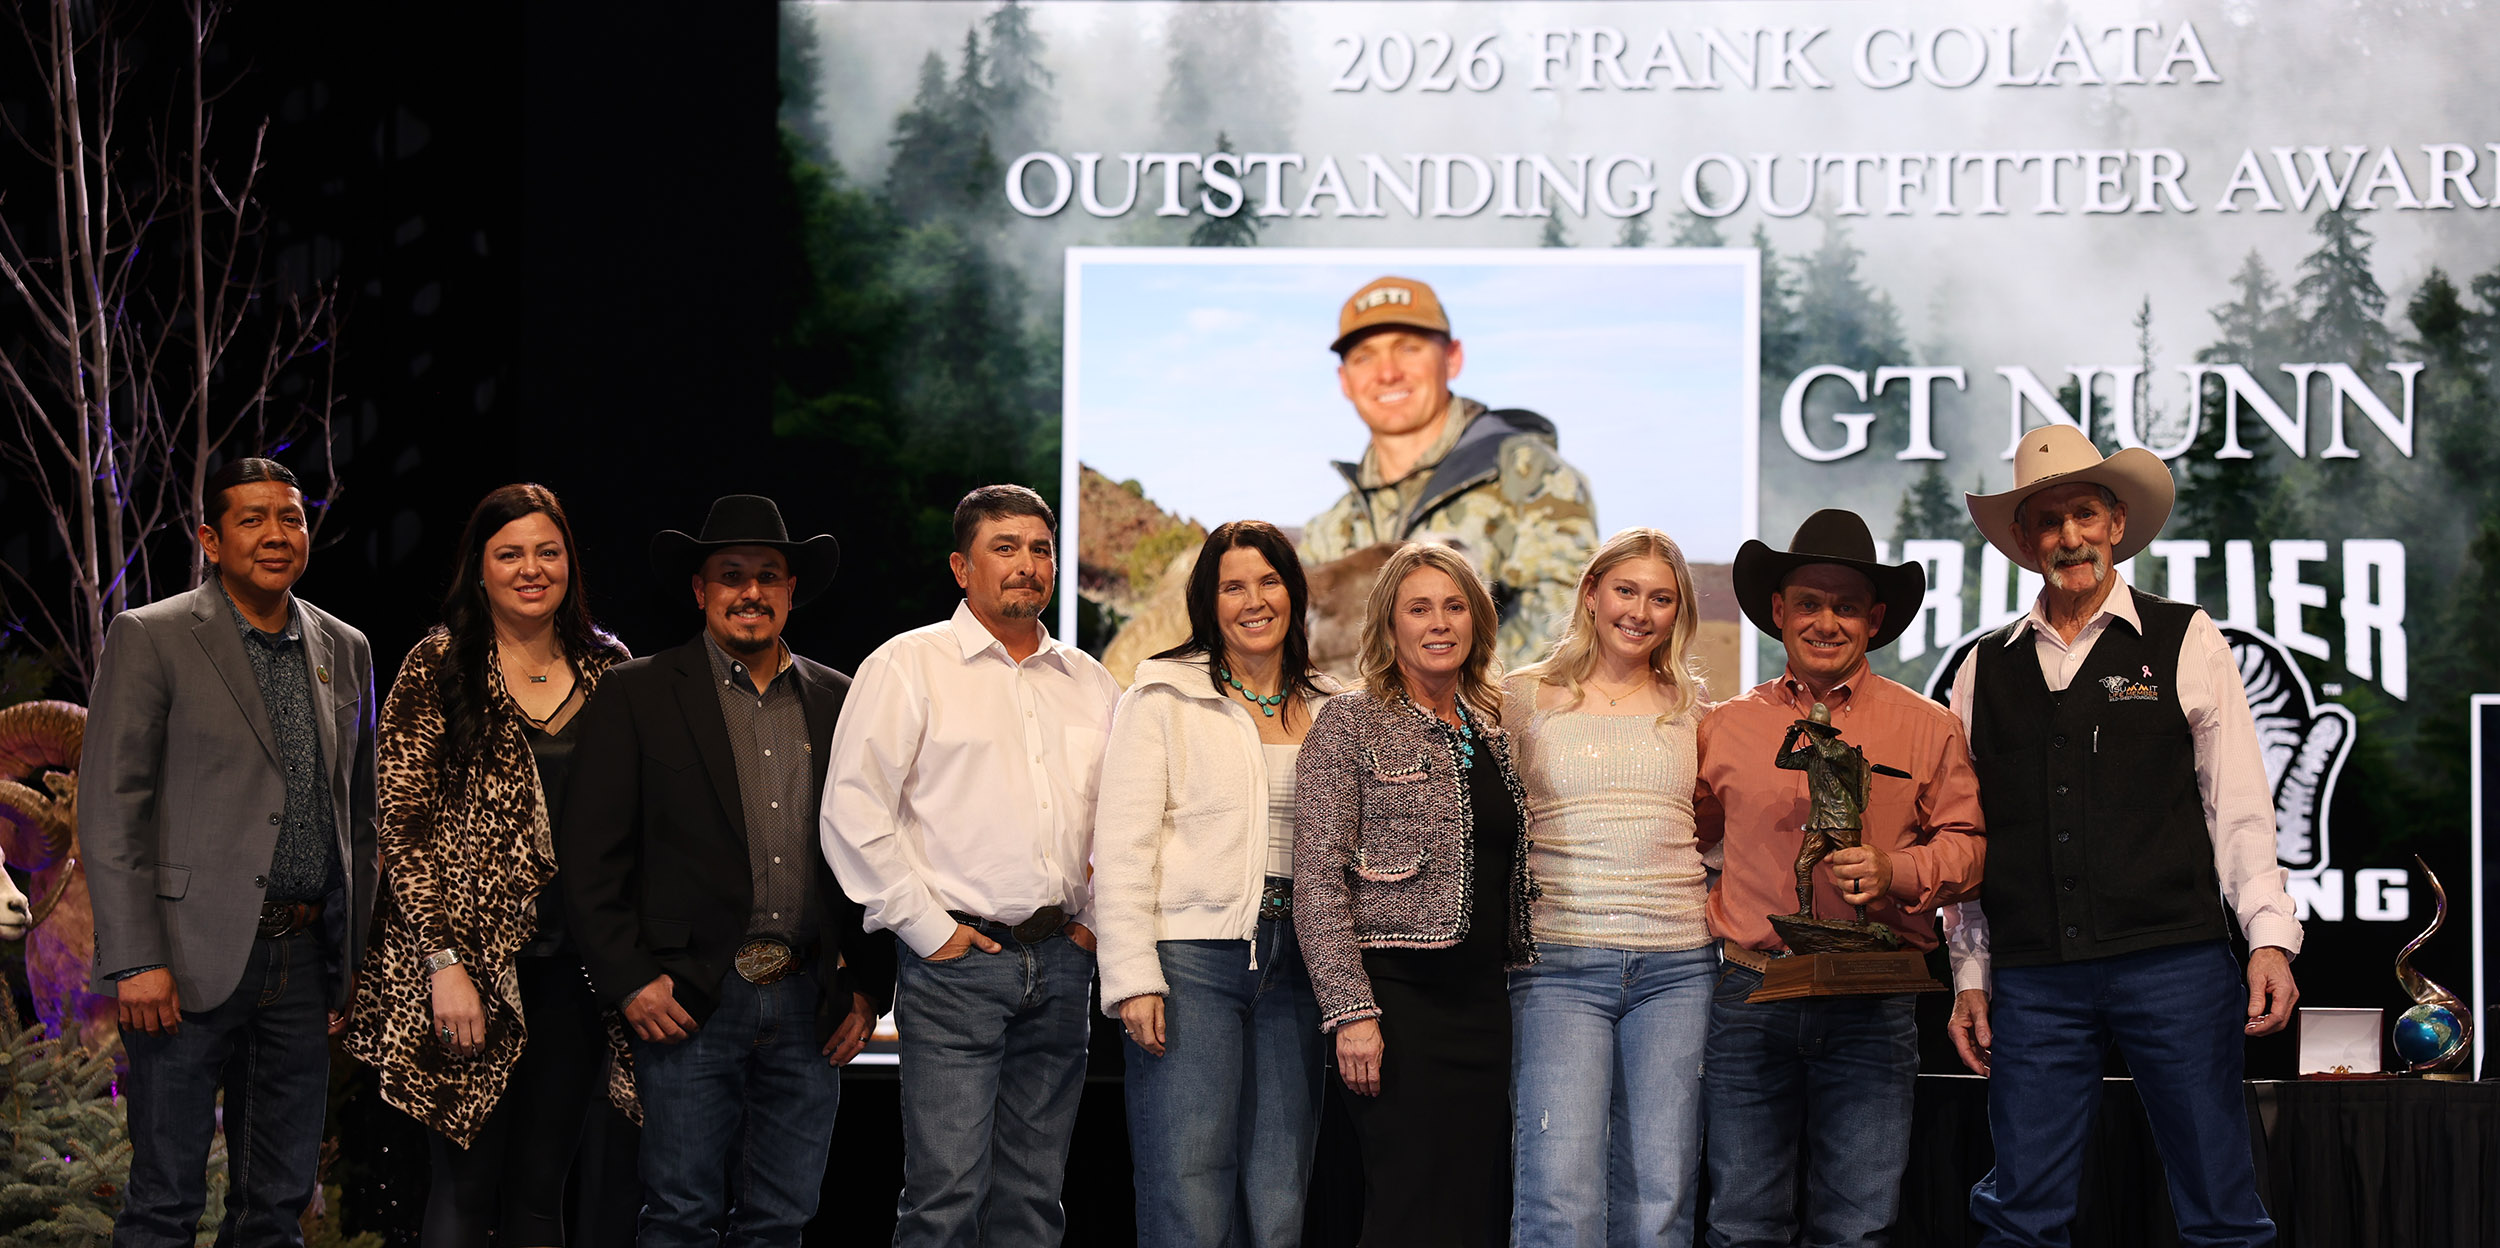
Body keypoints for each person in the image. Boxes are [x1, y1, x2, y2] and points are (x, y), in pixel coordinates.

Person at [1945, 424, 2300, 1247]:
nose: (2069, 536)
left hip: (2175, 964)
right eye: (2048, 521)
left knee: (2222, 1206)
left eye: (2084, 514)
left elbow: (2239, 809)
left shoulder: (2187, 637)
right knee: (2022, 1214)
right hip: (2034, 980)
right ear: (2026, 542)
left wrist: (2268, 940)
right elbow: (1968, 836)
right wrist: (1970, 972)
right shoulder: (1979, 668)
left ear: (2115, 524)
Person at [559, 493, 894, 1247]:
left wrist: (869, 987)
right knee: (680, 1217)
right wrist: (630, 980)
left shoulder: (841, 700)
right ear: (699, 590)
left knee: (782, 1220)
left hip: (811, 1002)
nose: (750, 592)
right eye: (731, 575)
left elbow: (878, 850)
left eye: (767, 575)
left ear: (790, 589)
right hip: (690, 1001)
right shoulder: (637, 692)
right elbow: (589, 856)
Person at [82, 456, 379, 1245]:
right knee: (165, 1205)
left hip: (305, 960)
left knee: (276, 1209)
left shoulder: (346, 648)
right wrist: (134, 958)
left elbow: (360, 816)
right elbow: (112, 809)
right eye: (253, 520)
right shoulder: (151, 635)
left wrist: (348, 955)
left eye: (291, 517)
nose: (276, 535)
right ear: (212, 540)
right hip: (183, 961)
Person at [822, 484, 1122, 1247]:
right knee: (945, 1197)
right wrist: (931, 932)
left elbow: (1120, 823)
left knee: (1033, 1201)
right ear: (962, 566)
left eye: (1041, 549)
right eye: (1006, 548)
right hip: (958, 965)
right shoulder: (908, 665)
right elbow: (852, 815)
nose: (1028, 565)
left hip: (1061, 965)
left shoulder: (1091, 682)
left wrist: (1090, 925)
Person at [342, 484, 631, 1247]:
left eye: (548, 551)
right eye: (510, 554)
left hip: (575, 974)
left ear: (570, 562)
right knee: (466, 1192)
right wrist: (444, 965)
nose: (531, 569)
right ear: (480, 569)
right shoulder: (437, 664)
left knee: (542, 1193)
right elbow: (401, 832)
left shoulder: (611, 669)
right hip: (464, 975)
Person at [1694, 508, 1985, 1248]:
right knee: (1740, 1223)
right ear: (1778, 612)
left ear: (1875, 619)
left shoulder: (1929, 726)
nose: (1827, 622)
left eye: (1847, 607)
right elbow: (1684, 842)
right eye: (1810, 604)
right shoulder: (1725, 725)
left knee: (1858, 1227)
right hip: (1750, 990)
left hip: (1873, 997)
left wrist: (1899, 869)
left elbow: (1970, 848)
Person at [1094, 520, 1341, 1247]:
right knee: (1189, 1190)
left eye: (1269, 582)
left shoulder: (1336, 707)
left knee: (1278, 1197)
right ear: (1210, 601)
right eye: (1234, 586)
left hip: (1300, 961)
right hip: (1192, 961)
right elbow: (1122, 845)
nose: (1253, 600)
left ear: (1293, 595)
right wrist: (1133, 974)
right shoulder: (1162, 696)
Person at [1293, 541, 1536, 1248]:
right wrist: (1351, 1013)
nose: (1439, 623)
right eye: (1419, 608)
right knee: (1407, 1210)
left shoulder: (1491, 733)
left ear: (1476, 621)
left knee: (1469, 1208)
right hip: (1396, 1006)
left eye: (1455, 607)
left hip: (1483, 1008)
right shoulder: (1349, 721)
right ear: (1389, 625)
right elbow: (1318, 879)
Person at [1502, 528, 1716, 1248]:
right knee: (1559, 1192)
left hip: (1679, 968)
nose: (1641, 611)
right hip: (1559, 962)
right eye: (1626, 591)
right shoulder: (1524, 698)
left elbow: (1712, 825)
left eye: (1662, 598)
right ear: (1591, 594)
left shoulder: (1693, 709)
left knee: (1660, 1195)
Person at [1300, 275, 1599, 670]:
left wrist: (1438, 696)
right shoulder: (1330, 531)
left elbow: (1565, 621)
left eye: (1408, 348)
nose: (1387, 373)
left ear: (1453, 358)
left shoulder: (1527, 478)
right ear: (1345, 381)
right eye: (1364, 356)